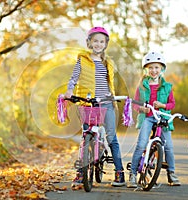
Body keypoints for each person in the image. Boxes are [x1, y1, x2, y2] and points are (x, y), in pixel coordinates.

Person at [65, 26, 125, 187]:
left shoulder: (108, 62)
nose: (98, 44)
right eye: (95, 41)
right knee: (86, 136)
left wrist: (113, 96)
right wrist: (69, 91)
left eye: (101, 41)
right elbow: (74, 77)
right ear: (89, 43)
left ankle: (119, 173)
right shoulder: (82, 60)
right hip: (87, 102)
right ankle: (80, 173)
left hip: (106, 102)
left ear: (105, 44)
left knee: (112, 138)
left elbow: (110, 83)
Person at [126, 51, 181, 188]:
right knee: (141, 144)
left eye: (156, 67)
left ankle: (172, 174)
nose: (154, 70)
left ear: (162, 68)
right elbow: (135, 103)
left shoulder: (167, 87)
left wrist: (162, 105)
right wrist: (141, 109)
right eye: (150, 67)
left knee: (168, 147)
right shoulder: (142, 86)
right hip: (148, 118)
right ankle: (132, 174)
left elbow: (172, 104)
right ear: (146, 69)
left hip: (163, 119)